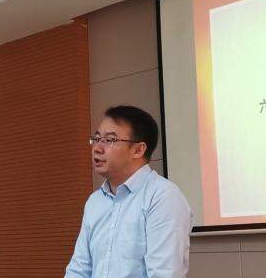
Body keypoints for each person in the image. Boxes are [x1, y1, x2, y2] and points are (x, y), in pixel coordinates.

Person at [65, 105, 194, 278]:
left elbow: (164, 274)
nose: (97, 148)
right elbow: (79, 270)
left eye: (109, 140)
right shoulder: (95, 202)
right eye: (96, 139)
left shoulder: (163, 197)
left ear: (138, 150)